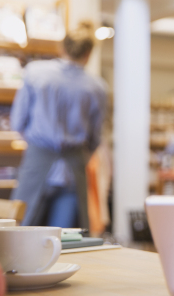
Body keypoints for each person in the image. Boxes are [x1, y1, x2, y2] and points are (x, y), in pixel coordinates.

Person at [11, 21, 108, 230]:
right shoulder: (97, 87)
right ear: (89, 53)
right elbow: (95, 138)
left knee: (20, 234)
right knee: (67, 241)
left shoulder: (35, 73)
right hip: (73, 172)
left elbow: (17, 121)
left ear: (62, 48)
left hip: (37, 164)